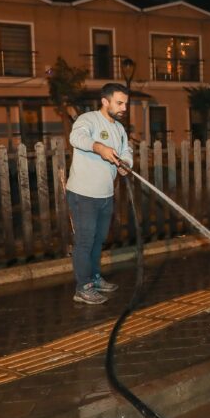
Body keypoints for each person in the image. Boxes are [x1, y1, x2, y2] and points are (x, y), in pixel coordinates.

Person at [66, 83, 133, 305]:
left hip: (105, 194)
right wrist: (99, 148)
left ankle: (94, 278)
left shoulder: (120, 129)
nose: (124, 107)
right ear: (105, 101)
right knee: (85, 241)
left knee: (98, 240)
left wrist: (126, 164)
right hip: (83, 194)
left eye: (126, 103)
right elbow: (76, 138)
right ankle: (82, 287)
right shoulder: (88, 120)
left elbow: (126, 151)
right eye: (119, 103)